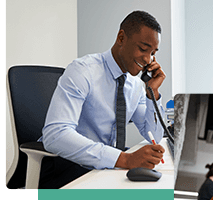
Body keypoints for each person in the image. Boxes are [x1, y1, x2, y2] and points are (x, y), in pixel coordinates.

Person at [40, 10, 166, 188]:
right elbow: (55, 135)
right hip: (69, 167)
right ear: (121, 38)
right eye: (143, 49)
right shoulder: (83, 71)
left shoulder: (136, 85)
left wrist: (153, 94)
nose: (148, 59)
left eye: (153, 53)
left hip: (105, 168)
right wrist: (124, 159)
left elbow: (154, 135)